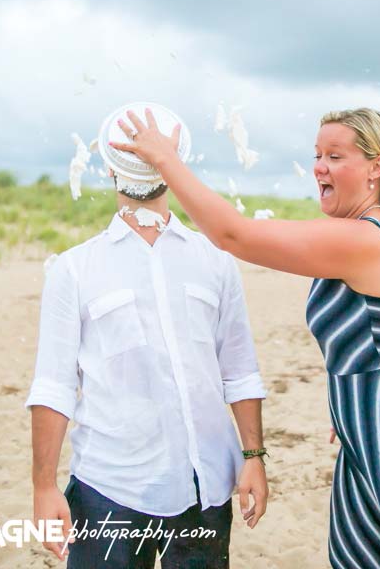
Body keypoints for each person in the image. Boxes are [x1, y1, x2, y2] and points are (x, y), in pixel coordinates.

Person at [111, 107, 380, 568]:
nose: (320, 166)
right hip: (371, 428)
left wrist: (166, 161)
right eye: (318, 154)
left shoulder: (365, 238)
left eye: (336, 156)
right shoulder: (368, 232)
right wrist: (353, 401)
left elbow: (233, 235)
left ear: (376, 167)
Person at [25, 162, 269, 569]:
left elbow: (239, 370)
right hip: (108, 488)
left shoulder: (215, 261)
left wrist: (254, 456)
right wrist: (43, 486)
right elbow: (54, 386)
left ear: (174, 162)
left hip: (204, 487)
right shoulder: (74, 268)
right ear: (109, 167)